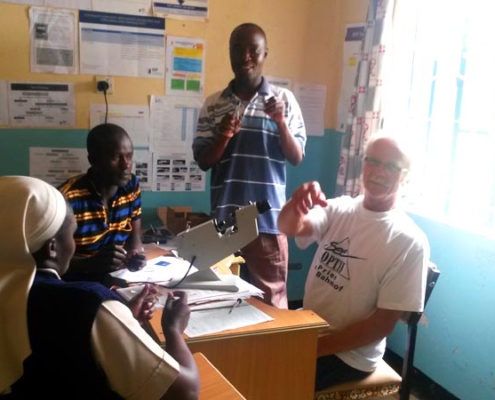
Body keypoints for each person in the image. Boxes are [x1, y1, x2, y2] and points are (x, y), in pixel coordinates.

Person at [0, 176, 199, 400]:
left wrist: (121, 321)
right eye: (72, 234)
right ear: (52, 248)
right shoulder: (89, 303)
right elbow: (184, 392)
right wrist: (173, 330)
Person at [277, 136, 430, 391]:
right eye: (373, 161)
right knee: (249, 356)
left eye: (391, 166)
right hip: (310, 327)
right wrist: (296, 204)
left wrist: (313, 347)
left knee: (270, 380)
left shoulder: (409, 241)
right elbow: (288, 227)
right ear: (363, 164)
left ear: (405, 176)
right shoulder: (341, 208)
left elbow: (381, 325)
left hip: (349, 354)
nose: (379, 171)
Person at [192, 23, 307, 308]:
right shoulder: (213, 104)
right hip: (224, 222)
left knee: (271, 303)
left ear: (265, 53)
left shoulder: (284, 101)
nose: (245, 57)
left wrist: (280, 122)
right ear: (229, 53)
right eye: (237, 49)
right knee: (219, 302)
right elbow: (203, 162)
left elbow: (296, 157)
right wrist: (223, 136)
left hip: (268, 223)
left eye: (253, 50)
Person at [59, 123, 146, 283]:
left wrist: (134, 253)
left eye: (129, 156)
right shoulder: (67, 198)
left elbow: (135, 237)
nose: (126, 165)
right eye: (116, 157)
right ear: (93, 160)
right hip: (76, 282)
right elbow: (51, 261)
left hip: (115, 277)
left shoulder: (131, 185)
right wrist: (90, 263)